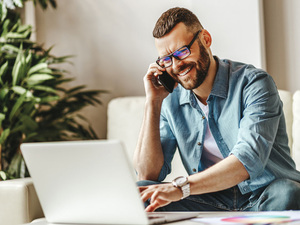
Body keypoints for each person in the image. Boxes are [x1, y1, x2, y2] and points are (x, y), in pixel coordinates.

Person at [133, 7, 300, 212]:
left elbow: (247, 160)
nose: (176, 66)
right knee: (141, 193)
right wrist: (153, 102)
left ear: (205, 39)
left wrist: (181, 187)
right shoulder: (170, 99)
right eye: (167, 59)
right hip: (210, 200)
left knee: (289, 192)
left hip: (264, 194)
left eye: (182, 51)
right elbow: (148, 175)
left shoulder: (254, 83)